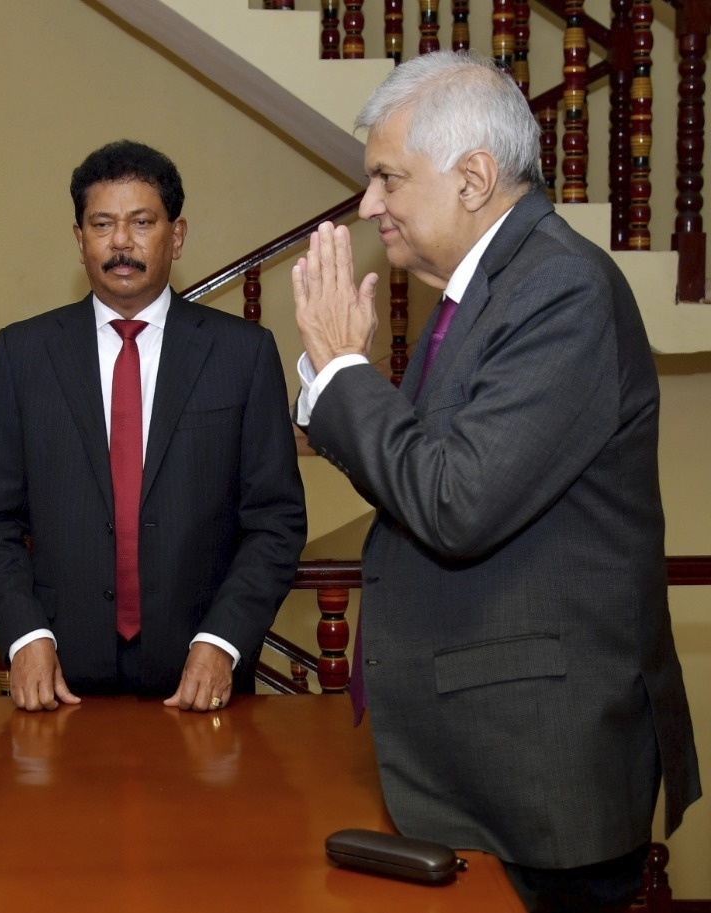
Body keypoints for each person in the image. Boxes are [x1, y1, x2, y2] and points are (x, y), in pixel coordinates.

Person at [290, 52, 701, 912]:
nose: (370, 206)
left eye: (388, 178)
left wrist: (340, 375)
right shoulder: (484, 292)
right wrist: (339, 385)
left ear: (474, 177)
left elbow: (454, 501)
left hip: (538, 771)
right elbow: (427, 479)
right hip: (481, 760)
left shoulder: (561, 289)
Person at [0, 140, 306, 713]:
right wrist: (25, 636)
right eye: (102, 224)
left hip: (201, 677)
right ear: (79, 240)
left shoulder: (242, 353)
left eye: (142, 222)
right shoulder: (23, 354)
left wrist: (223, 641)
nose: (121, 242)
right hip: (60, 680)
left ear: (177, 234)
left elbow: (276, 520)